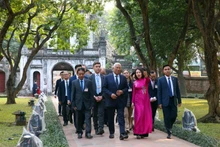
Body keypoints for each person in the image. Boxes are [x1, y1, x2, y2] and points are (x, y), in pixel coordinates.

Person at [103, 63, 128, 140]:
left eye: (119, 68)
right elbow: (104, 88)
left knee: (121, 117)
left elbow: (126, 88)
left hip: (120, 101)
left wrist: (122, 91)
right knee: (110, 117)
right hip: (111, 100)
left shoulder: (123, 78)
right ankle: (111, 132)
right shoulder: (107, 77)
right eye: (117, 67)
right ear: (113, 68)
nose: (118, 69)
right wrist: (110, 94)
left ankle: (122, 133)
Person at [157, 64, 181, 139]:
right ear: (163, 71)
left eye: (168, 69)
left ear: (170, 70)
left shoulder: (174, 79)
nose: (167, 70)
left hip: (173, 100)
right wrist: (159, 103)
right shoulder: (160, 80)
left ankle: (169, 126)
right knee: (166, 116)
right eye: (165, 69)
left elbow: (177, 90)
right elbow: (159, 92)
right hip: (165, 101)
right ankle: (169, 131)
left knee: (174, 116)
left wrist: (179, 100)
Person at [69, 68, 93, 139]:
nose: (81, 75)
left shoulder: (88, 82)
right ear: (77, 74)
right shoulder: (74, 82)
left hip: (87, 104)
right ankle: (79, 132)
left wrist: (91, 104)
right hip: (78, 104)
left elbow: (91, 94)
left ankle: (88, 132)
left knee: (88, 119)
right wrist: (73, 105)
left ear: (84, 73)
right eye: (80, 74)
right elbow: (73, 94)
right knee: (78, 119)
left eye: (82, 74)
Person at [132, 68, 152, 139]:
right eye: (137, 72)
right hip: (138, 101)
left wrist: (146, 74)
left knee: (145, 116)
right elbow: (133, 93)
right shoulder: (134, 82)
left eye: (139, 72)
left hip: (145, 101)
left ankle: (144, 132)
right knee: (139, 116)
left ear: (142, 73)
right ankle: (138, 132)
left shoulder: (145, 80)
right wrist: (132, 102)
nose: (138, 74)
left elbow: (149, 79)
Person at [89, 61, 105, 135]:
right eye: (96, 66)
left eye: (99, 66)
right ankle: (96, 127)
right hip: (93, 98)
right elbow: (89, 89)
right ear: (93, 68)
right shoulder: (90, 78)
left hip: (102, 97)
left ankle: (101, 128)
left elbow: (105, 88)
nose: (98, 68)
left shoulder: (104, 77)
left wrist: (102, 96)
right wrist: (94, 96)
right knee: (94, 113)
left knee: (101, 113)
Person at [69, 64, 82, 129]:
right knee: (75, 114)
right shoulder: (72, 79)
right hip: (75, 100)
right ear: (76, 70)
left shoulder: (85, 78)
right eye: (78, 69)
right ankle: (77, 127)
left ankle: (82, 125)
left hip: (83, 100)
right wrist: (70, 99)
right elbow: (70, 90)